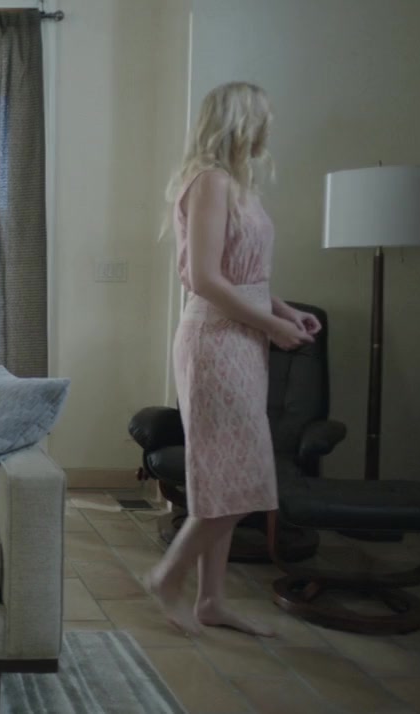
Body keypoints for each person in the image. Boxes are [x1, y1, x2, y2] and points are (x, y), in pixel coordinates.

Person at [144, 82, 320, 637]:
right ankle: (168, 576)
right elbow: (204, 279)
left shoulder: (237, 187)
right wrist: (271, 325)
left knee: (229, 477)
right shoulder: (211, 182)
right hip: (215, 342)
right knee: (238, 477)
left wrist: (284, 310)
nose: (269, 128)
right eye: (262, 118)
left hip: (241, 340)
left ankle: (211, 601)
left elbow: (243, 277)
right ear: (242, 122)